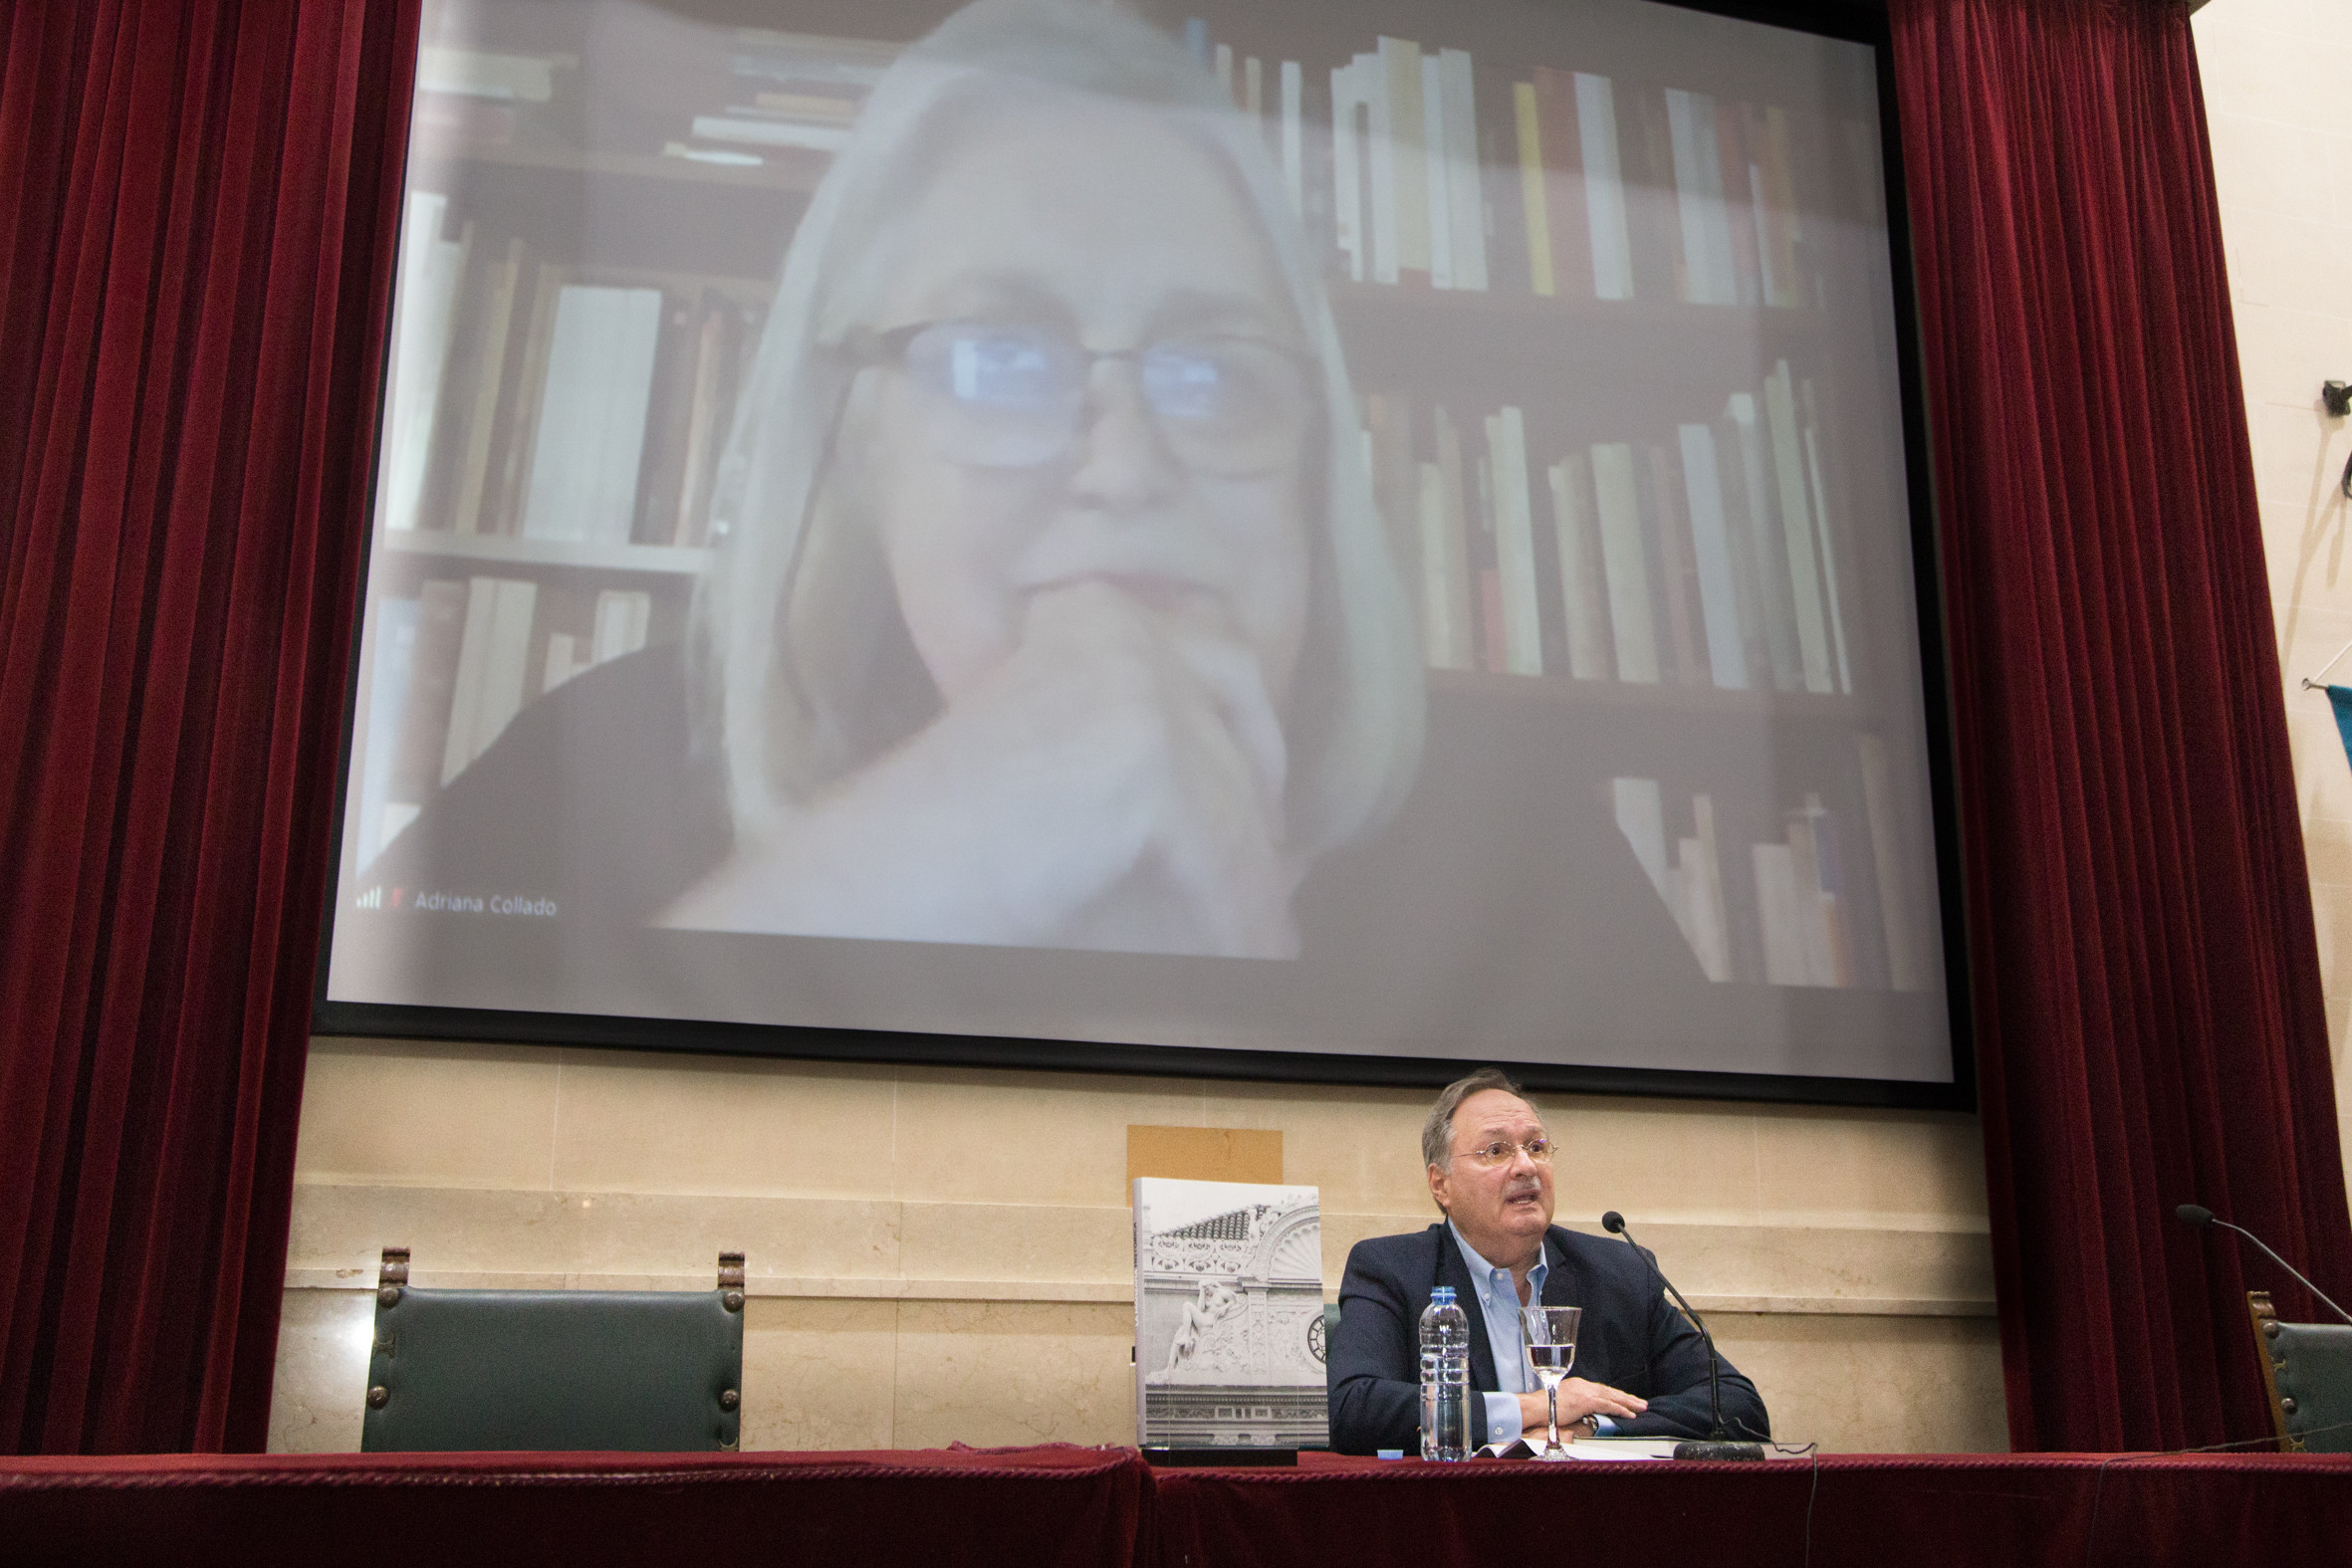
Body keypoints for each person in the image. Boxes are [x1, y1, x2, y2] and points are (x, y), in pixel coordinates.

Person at [368, 0, 1422, 961]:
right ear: (857, 446)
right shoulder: (594, 765)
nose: (1125, 467)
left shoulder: (1492, 850)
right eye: (998, 359)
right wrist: (874, 875)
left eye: (1217, 373)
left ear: (1314, 460)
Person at [1325, 1068, 1769, 1453]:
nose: (1526, 1167)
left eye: (1536, 1147)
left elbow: (1736, 1404)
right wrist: (1538, 1408)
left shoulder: (1621, 1272)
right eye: (1496, 1151)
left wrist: (1594, 1424)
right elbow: (1353, 1408)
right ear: (1441, 1184)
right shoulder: (1392, 1269)